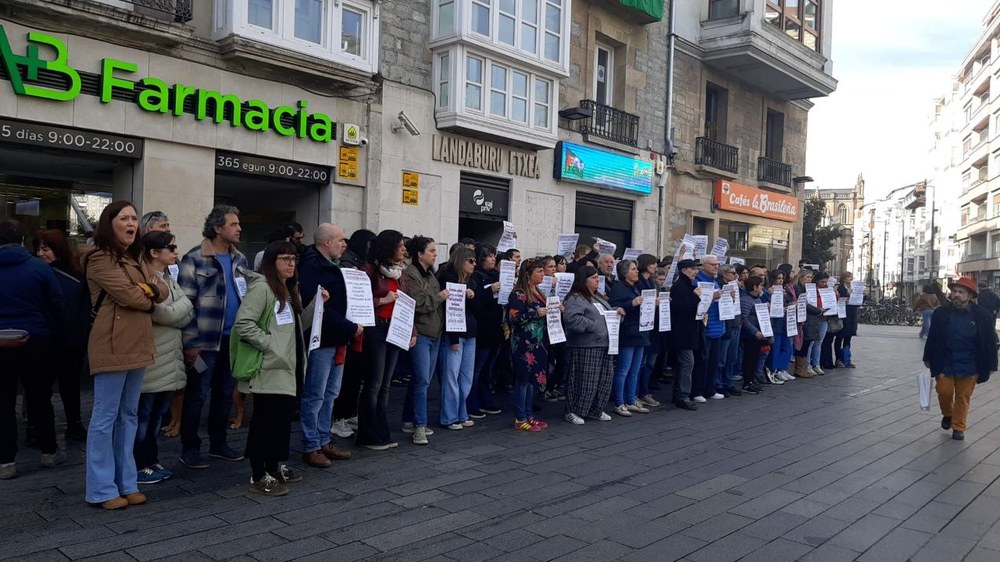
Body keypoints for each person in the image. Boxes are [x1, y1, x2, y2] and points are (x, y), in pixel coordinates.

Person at [83, 201, 168, 509]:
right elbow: (130, 295)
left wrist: (150, 291)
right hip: (111, 344)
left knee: (128, 416)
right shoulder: (98, 258)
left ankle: (126, 482)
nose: (132, 223)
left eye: (134, 218)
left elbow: (163, 288)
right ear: (110, 223)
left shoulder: (135, 258)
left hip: (139, 344)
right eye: (125, 218)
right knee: (105, 418)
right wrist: (148, 294)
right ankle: (102, 488)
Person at [236, 242, 324, 495]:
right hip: (270, 368)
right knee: (264, 422)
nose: (290, 264)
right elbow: (244, 324)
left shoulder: (286, 289)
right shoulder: (262, 288)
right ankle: (258, 474)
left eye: (293, 259)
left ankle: (274, 467)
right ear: (271, 262)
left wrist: (315, 305)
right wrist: (270, 346)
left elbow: (295, 327)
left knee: (280, 422)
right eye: (284, 259)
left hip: (288, 367)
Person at [177, 205, 249, 469]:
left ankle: (219, 443)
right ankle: (190, 448)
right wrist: (190, 343)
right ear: (217, 228)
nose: (239, 228)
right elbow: (185, 305)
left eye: (239, 224)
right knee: (197, 395)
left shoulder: (241, 259)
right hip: (204, 344)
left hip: (233, 341)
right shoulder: (194, 258)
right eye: (233, 224)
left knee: (225, 393)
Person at [0, 220, 65, 480]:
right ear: (23, 241)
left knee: (2, 402)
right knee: (39, 398)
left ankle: (5, 462)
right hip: (36, 341)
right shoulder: (38, 267)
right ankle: (49, 452)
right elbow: (57, 303)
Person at [297, 224, 359, 468]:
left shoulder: (335, 267)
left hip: (337, 338)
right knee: (315, 394)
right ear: (326, 242)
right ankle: (310, 445)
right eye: (340, 240)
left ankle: (324, 439)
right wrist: (351, 327)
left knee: (330, 393)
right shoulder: (313, 267)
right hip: (322, 339)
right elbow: (321, 309)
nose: (344, 244)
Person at [134, 231, 193, 485]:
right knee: (143, 416)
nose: (175, 252)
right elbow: (164, 314)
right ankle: (138, 464)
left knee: (157, 414)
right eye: (171, 247)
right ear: (153, 253)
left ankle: (151, 460)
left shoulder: (169, 276)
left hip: (168, 358)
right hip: (151, 358)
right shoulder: (144, 278)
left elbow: (188, 308)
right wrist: (176, 312)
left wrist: (174, 311)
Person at [923, 277, 998, 440]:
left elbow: (990, 340)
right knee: (944, 392)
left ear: (970, 296)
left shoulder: (982, 315)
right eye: (954, 291)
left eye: (961, 292)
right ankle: (948, 414)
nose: (956, 295)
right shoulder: (941, 313)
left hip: (970, 364)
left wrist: (992, 363)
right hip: (945, 361)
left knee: (963, 397)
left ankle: (958, 427)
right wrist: (927, 357)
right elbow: (933, 337)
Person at [357, 230, 410, 450]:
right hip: (376, 329)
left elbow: (407, 302)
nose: (404, 250)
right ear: (389, 247)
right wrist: (382, 300)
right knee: (374, 383)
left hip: (395, 329)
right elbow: (359, 300)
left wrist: (412, 331)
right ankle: (367, 434)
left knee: (386, 385)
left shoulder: (401, 273)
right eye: (400, 246)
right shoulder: (368, 270)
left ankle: (381, 430)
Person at [35, 229, 90, 440]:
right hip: (63, 341)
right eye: (38, 249)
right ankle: (71, 425)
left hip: (63, 341)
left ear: (57, 250)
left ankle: (64, 426)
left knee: (59, 387)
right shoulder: (75, 274)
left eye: (46, 249)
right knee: (61, 387)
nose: (41, 253)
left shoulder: (72, 275)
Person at [331, 228, 377, 439]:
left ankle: (349, 413)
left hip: (360, 326)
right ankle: (339, 417)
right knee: (347, 376)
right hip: (350, 326)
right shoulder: (349, 265)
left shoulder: (363, 263)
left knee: (356, 375)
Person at [400, 235, 445, 445]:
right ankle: (419, 425)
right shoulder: (411, 274)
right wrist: (440, 297)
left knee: (422, 379)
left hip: (434, 332)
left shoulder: (430, 275)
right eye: (431, 251)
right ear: (419, 254)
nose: (435, 255)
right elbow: (418, 302)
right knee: (422, 380)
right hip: (421, 332)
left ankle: (410, 419)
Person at [561, 265, 620, 424]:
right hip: (585, 345)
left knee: (603, 379)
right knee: (584, 380)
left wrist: (616, 312)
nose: (597, 281)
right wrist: (595, 326)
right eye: (593, 278)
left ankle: (595, 409)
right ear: (583, 280)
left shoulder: (598, 297)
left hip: (604, 344)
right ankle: (574, 410)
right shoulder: (575, 297)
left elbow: (604, 314)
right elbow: (573, 319)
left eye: (597, 278)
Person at [506, 258, 551, 431]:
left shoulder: (537, 291)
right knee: (523, 379)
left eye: (542, 271)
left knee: (532, 380)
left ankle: (529, 414)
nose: (542, 274)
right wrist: (535, 312)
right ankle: (520, 417)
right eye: (539, 272)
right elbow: (514, 317)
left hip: (538, 342)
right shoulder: (518, 293)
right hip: (524, 343)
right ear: (528, 274)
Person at [438, 247, 478, 430]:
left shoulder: (471, 281)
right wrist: (453, 337)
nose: (474, 264)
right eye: (471, 261)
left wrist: (471, 294)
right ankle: (449, 416)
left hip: (470, 332)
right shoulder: (448, 278)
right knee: (451, 375)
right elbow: (449, 311)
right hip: (455, 332)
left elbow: (476, 307)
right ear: (461, 261)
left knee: (466, 376)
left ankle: (462, 412)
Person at [609, 260, 650, 416]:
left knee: (635, 369)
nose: (637, 271)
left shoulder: (635, 287)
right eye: (633, 269)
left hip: (640, 331)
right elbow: (616, 308)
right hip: (627, 333)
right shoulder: (619, 288)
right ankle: (619, 402)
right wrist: (631, 304)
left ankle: (631, 400)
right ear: (625, 273)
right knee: (623, 370)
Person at [468, 243, 503, 417]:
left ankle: (485, 400)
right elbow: (475, 301)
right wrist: (491, 291)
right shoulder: (475, 277)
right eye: (489, 255)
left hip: (495, 328)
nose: (493, 258)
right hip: (482, 329)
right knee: (477, 368)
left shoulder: (496, 275)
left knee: (488, 367)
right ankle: (472, 402)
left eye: (494, 255)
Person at [669, 259, 704, 411]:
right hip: (682, 332)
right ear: (684, 270)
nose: (695, 271)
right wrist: (695, 297)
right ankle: (683, 395)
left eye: (696, 268)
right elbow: (680, 307)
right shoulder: (679, 286)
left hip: (688, 331)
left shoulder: (688, 284)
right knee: (687, 363)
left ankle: (679, 394)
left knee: (685, 363)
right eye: (692, 268)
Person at [694, 255, 724, 402]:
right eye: (712, 264)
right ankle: (697, 390)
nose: (716, 267)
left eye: (717, 264)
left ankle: (710, 389)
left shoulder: (715, 282)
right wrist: (713, 297)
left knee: (714, 360)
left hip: (717, 326)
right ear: (703, 266)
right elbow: (698, 302)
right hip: (705, 326)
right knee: (702, 360)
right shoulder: (698, 281)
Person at [636, 254, 662, 407]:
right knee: (641, 362)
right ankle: (637, 392)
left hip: (653, 325)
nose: (655, 267)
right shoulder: (639, 282)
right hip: (643, 326)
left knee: (649, 362)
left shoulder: (652, 282)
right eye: (653, 264)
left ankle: (644, 391)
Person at [715, 263, 743, 396]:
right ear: (725, 274)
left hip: (736, 323)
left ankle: (728, 382)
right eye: (732, 273)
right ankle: (718, 383)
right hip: (725, 325)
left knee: (732, 357)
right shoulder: (719, 286)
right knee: (722, 358)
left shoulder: (736, 286)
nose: (736, 275)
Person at [739, 276, 771, 394]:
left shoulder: (757, 299)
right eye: (760, 285)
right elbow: (744, 319)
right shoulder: (746, 300)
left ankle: (752, 380)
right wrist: (755, 332)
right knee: (749, 359)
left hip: (759, 332)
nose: (762, 288)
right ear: (754, 287)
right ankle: (747, 382)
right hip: (750, 335)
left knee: (755, 358)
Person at [767, 269, 795, 382]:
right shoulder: (769, 290)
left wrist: (791, 304)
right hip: (775, 323)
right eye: (778, 278)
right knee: (776, 349)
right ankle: (774, 370)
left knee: (787, 348)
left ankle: (782, 368)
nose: (781, 280)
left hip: (785, 322)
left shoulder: (784, 290)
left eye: (782, 278)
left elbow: (787, 302)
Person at [835, 272, 859, 368]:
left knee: (848, 337)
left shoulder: (853, 289)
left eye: (851, 278)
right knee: (840, 337)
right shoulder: (840, 288)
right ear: (844, 278)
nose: (850, 280)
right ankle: (838, 359)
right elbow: (840, 299)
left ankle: (847, 358)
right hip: (843, 315)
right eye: (849, 278)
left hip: (851, 315)